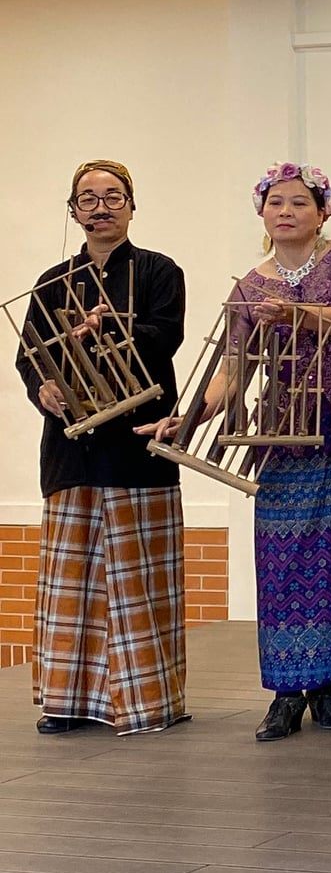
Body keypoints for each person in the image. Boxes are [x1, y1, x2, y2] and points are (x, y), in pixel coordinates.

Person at [139, 163, 331, 742]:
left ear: (322, 211)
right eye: (276, 202)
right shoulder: (250, 288)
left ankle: (326, 688)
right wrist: (188, 417)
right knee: (286, 554)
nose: (287, 211)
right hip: (284, 434)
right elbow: (232, 370)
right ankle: (286, 691)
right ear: (261, 212)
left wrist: (298, 314)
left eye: (300, 202)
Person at [15, 160, 187, 735]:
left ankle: (146, 703)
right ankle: (68, 701)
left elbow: (166, 335)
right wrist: (43, 390)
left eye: (113, 196)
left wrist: (111, 326)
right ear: (73, 211)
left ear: (133, 206)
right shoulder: (50, 282)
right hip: (73, 455)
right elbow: (29, 356)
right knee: (74, 578)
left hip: (139, 446)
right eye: (87, 199)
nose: (101, 207)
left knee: (140, 581)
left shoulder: (160, 271)